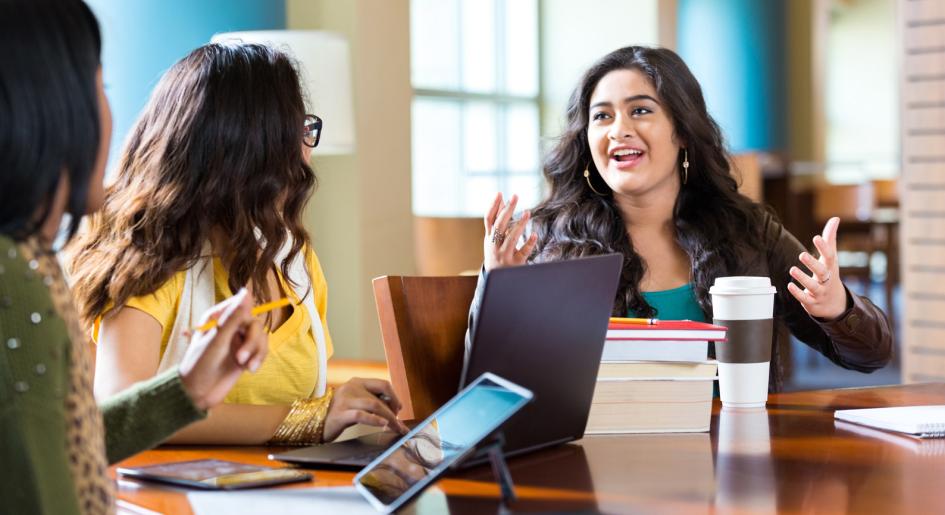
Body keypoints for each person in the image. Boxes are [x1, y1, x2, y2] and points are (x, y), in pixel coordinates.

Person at [471, 46, 892, 391]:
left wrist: (838, 306)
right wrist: (500, 296)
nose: (618, 129)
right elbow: (492, 389)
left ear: (683, 132)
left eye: (640, 111)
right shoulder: (545, 239)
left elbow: (872, 356)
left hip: (730, 463)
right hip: (594, 467)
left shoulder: (748, 231)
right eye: (602, 116)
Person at [0, 1, 270, 513]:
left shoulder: (26, 259)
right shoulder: (14, 280)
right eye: (99, 88)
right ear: (49, 108)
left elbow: (62, 445)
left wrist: (187, 387)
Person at [68, 42, 408, 444]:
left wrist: (342, 407)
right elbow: (117, 410)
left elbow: (308, 411)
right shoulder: (152, 256)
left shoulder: (295, 262)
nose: (306, 154)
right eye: (297, 131)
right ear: (250, 150)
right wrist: (309, 419)